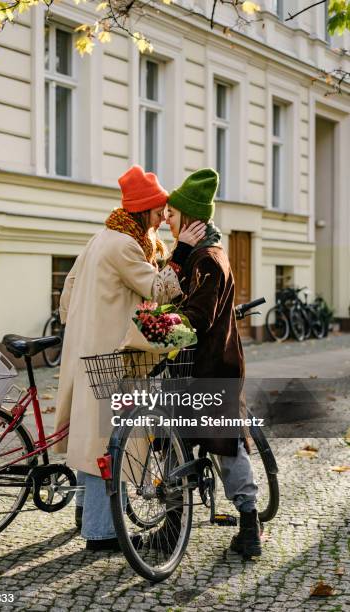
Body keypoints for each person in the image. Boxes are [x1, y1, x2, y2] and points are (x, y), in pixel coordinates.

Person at [53, 165, 206, 551]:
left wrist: (85, 325)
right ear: (141, 210)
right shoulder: (124, 245)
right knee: (107, 441)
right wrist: (182, 250)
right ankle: (102, 533)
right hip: (111, 355)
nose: (161, 217)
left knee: (92, 437)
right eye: (157, 211)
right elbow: (159, 287)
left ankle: (87, 515)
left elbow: (67, 293)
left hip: (87, 349)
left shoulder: (101, 237)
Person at [165, 168, 261, 559]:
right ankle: (173, 524)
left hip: (209, 369)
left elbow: (198, 318)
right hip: (197, 368)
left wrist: (160, 330)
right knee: (175, 439)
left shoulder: (207, 259)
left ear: (189, 218)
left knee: (225, 446)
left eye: (171, 214)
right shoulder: (204, 254)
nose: (166, 220)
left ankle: (250, 527)